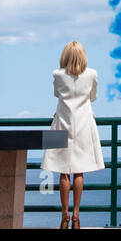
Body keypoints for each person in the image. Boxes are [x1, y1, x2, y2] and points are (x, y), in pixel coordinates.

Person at [40, 40, 104, 229]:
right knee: (79, 171)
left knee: (62, 172)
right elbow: (93, 97)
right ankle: (76, 214)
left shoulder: (57, 74)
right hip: (84, 124)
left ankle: (64, 215)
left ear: (65, 56)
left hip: (61, 123)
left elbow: (56, 94)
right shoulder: (92, 74)